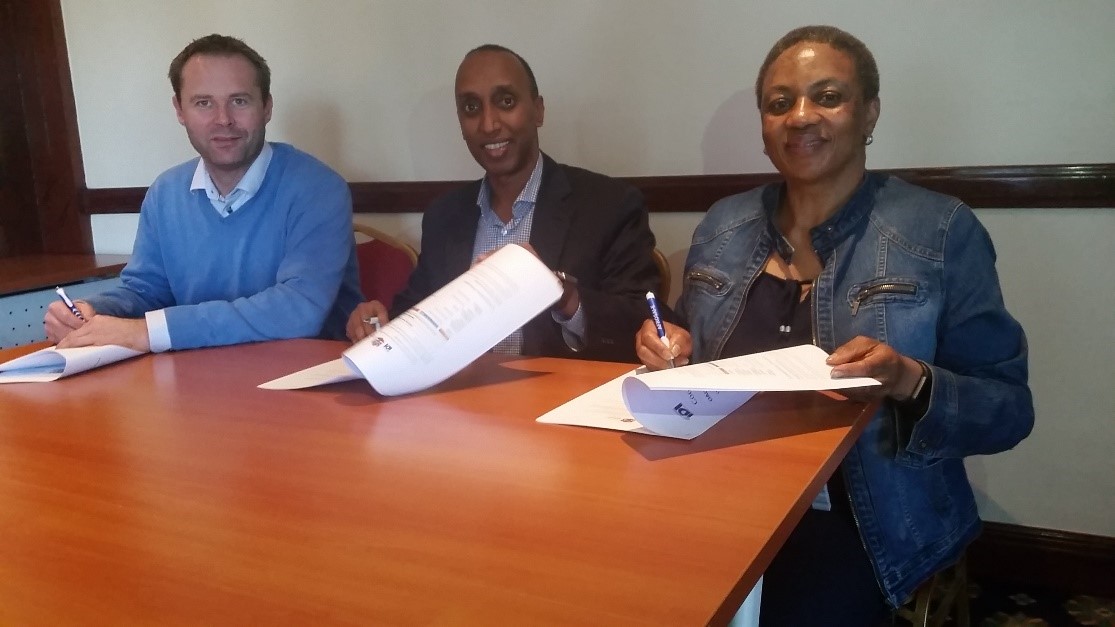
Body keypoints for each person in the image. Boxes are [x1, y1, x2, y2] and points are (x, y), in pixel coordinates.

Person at [635, 26, 1033, 624]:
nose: (801, 117)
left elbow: (1007, 408)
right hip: (716, 493)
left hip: (863, 522)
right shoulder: (723, 225)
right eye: (779, 103)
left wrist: (908, 380)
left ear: (869, 112)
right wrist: (671, 348)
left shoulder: (939, 231)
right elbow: (691, 349)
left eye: (827, 96)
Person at [43, 34, 362, 353]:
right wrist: (92, 312)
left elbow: (297, 310)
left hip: (300, 379)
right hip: (190, 377)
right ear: (179, 110)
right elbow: (145, 291)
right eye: (203, 103)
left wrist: (150, 332)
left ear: (266, 107)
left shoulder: (318, 189)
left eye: (239, 100)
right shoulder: (165, 193)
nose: (223, 119)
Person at [346, 44, 661, 362]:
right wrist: (380, 324)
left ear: (538, 110)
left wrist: (561, 294)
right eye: (471, 108)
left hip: (558, 404)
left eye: (505, 102)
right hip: (460, 404)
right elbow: (417, 319)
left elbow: (648, 325)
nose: (488, 124)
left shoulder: (608, 205)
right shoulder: (445, 216)